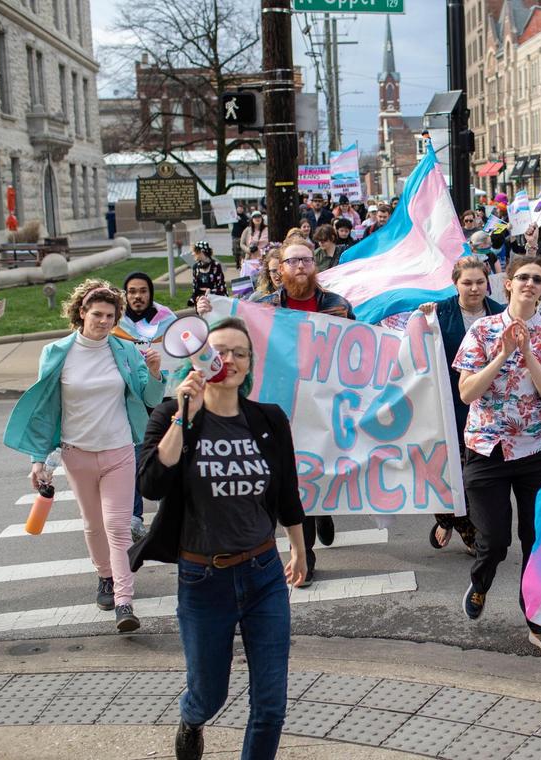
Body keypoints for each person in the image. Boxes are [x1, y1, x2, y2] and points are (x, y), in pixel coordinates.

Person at [132, 317, 306, 760]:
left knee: (271, 705)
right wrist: (182, 417)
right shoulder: (171, 413)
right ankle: (192, 718)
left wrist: (299, 549)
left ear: (249, 366)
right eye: (219, 351)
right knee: (208, 694)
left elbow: (286, 490)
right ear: (199, 358)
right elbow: (151, 484)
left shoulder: (268, 419)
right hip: (203, 579)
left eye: (239, 353)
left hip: (264, 575)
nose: (227, 360)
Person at [2, 280, 163, 632]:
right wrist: (37, 459)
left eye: (110, 315)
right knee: (92, 526)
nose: (104, 321)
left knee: (118, 527)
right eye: (97, 314)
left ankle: (124, 601)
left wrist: (154, 372)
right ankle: (104, 576)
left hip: (120, 450)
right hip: (77, 454)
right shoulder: (57, 352)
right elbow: (46, 409)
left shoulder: (125, 350)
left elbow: (150, 395)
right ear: (80, 314)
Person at [197, 243, 352, 586]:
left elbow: (360, 348)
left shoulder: (339, 306)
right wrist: (209, 311)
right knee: (292, 472)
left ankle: (324, 508)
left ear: (315, 266)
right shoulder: (262, 307)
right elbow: (234, 334)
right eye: (293, 260)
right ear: (279, 268)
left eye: (307, 260)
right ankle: (306, 555)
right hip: (285, 402)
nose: (301, 266)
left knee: (321, 465)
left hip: (326, 402)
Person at [453, 255, 541, 659]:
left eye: (538, 279)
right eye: (522, 277)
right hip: (486, 448)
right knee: (495, 540)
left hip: (536, 450)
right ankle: (481, 581)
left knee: (537, 541)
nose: (530, 284)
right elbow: (467, 393)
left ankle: (537, 623)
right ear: (507, 283)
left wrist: (529, 354)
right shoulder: (483, 330)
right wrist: (503, 355)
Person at [418, 257, 506, 554]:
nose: (474, 288)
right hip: (448, 405)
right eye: (467, 283)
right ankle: (452, 521)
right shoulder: (439, 312)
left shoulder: (501, 313)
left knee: (478, 476)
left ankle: (471, 525)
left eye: (480, 282)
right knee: (448, 471)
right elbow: (414, 347)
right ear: (455, 284)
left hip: (489, 408)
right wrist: (423, 321)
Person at [118, 271, 178, 542]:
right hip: (132, 399)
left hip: (164, 396)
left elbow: (182, 352)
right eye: (132, 291)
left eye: (142, 291)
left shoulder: (167, 321)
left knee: (168, 457)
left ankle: (170, 516)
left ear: (150, 293)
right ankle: (134, 518)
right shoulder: (116, 323)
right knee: (136, 458)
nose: (137, 296)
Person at [188, 241, 227, 307]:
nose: (192, 254)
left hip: (215, 300)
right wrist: (193, 299)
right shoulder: (196, 267)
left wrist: (211, 291)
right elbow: (195, 288)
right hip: (201, 301)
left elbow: (221, 287)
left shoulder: (216, 266)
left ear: (202, 252)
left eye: (195, 251)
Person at [230, 204, 250, 269]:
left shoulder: (245, 217)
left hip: (242, 237)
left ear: (243, 209)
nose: (240, 209)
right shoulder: (234, 216)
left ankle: (242, 265)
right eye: (238, 208)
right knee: (236, 252)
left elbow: (246, 225)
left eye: (241, 208)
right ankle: (237, 263)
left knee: (243, 252)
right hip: (235, 236)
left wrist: (240, 220)